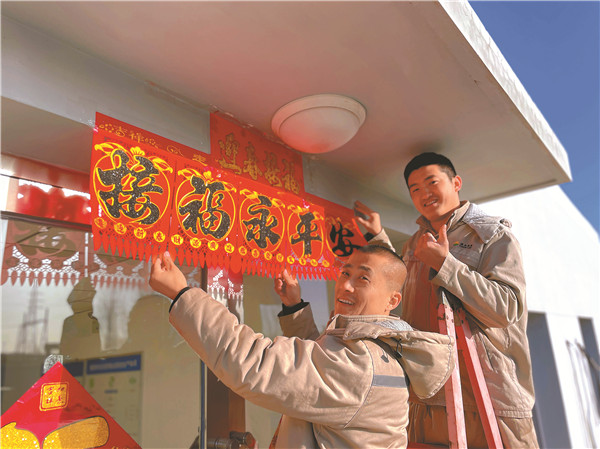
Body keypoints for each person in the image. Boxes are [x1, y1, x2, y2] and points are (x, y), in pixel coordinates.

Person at [149, 247, 454, 449]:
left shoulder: (363, 364)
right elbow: (318, 363)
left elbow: (256, 364)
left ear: (392, 301)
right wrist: (294, 307)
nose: (346, 285)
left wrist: (183, 295)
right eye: (345, 273)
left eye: (363, 278)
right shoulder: (378, 352)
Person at [354, 152, 539, 448]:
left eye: (432, 182)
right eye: (415, 189)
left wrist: (445, 265)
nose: (424, 193)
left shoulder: (493, 236)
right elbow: (397, 282)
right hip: (427, 398)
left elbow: (506, 309)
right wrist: (378, 236)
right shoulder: (414, 244)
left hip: (490, 401)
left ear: (456, 183)